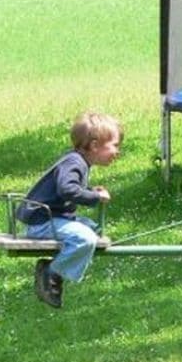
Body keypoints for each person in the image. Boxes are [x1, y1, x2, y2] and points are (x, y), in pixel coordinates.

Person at [18, 112, 122, 308]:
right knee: (86, 239)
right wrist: (95, 197)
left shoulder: (76, 161)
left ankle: (57, 267)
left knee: (94, 229)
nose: (118, 151)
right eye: (115, 145)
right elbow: (67, 190)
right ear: (94, 145)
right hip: (43, 223)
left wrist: (90, 191)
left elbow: (68, 188)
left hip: (50, 219)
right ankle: (51, 273)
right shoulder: (75, 162)